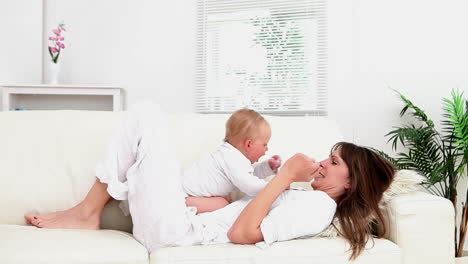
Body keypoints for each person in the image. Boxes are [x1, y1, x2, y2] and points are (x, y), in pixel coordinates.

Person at [25, 104, 395, 260]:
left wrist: (283, 177)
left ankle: (87, 212)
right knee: (146, 120)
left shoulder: (318, 207)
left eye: (334, 162)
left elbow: (244, 233)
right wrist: (278, 180)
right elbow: (240, 210)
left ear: (350, 184)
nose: (323, 165)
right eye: (328, 158)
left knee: (147, 114)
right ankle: (88, 211)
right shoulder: (305, 196)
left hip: (176, 231)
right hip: (179, 219)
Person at [182, 108, 281, 212]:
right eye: (264, 144)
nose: (267, 149)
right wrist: (277, 185)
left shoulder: (234, 157)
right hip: (185, 196)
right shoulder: (232, 159)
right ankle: (180, 205)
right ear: (248, 144)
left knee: (225, 199)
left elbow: (249, 175)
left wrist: (268, 167)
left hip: (191, 195)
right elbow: (250, 186)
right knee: (223, 204)